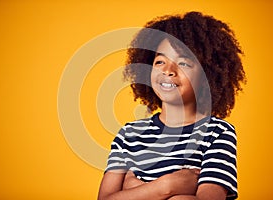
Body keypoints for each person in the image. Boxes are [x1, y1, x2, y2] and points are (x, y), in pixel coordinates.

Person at [98, 11, 246, 200]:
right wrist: (166, 187)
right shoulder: (129, 135)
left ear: (206, 77)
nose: (168, 71)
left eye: (183, 63)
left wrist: (134, 190)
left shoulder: (217, 133)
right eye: (160, 61)